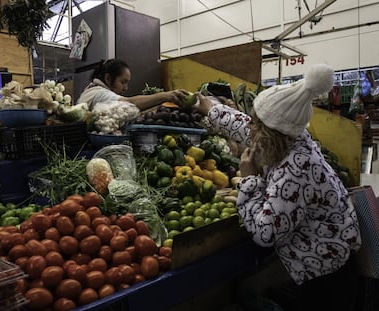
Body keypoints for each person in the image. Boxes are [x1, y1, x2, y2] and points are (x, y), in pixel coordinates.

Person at [191, 64, 362, 311]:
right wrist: (212, 109)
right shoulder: (291, 137)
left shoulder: (295, 168)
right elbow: (245, 126)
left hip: (322, 265)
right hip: (318, 245)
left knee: (250, 288)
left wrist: (249, 179)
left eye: (257, 126)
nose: (251, 130)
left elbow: (266, 234)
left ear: (272, 134)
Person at [76, 58, 189, 111]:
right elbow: (129, 103)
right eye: (123, 82)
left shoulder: (91, 90)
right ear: (108, 78)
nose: (126, 88)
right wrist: (167, 95)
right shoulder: (99, 94)